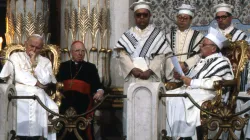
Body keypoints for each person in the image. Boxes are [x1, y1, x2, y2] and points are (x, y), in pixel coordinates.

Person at [114, 0, 172, 136]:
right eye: (138, 15)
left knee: (151, 112)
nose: (141, 18)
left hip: (151, 78)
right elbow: (122, 55)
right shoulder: (128, 35)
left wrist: (150, 70)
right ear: (135, 17)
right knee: (132, 112)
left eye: (144, 15)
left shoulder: (157, 35)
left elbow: (161, 56)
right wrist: (132, 69)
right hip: (133, 79)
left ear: (149, 16)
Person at [165, 27, 234, 139]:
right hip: (196, 90)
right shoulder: (202, 61)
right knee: (167, 96)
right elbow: (191, 79)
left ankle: (183, 136)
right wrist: (182, 77)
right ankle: (169, 134)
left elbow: (214, 83)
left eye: (203, 44)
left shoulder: (221, 61)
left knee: (179, 99)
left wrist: (192, 82)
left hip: (210, 94)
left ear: (213, 48)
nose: (200, 47)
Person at [0, 34, 58, 140]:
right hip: (19, 91)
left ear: (42, 48)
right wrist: (37, 83)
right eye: (32, 46)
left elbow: (46, 80)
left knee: (54, 108)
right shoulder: (16, 56)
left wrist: (35, 63)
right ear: (26, 44)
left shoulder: (45, 61)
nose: (34, 49)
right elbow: (18, 75)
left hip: (39, 93)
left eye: (38, 48)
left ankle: (39, 136)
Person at [56, 41, 104, 140]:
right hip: (65, 102)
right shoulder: (63, 66)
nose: (80, 53)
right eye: (77, 51)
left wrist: (100, 91)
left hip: (83, 102)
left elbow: (97, 85)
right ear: (71, 52)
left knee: (82, 130)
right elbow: (56, 84)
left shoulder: (90, 67)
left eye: (82, 51)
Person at [213, 3, 249, 91]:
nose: (220, 20)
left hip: (234, 72)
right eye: (218, 18)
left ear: (230, 17)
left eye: (223, 17)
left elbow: (246, 58)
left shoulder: (241, 35)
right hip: (215, 71)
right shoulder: (212, 35)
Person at [165, 4, 204, 82]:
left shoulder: (198, 36)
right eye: (180, 17)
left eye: (185, 18)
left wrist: (186, 65)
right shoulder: (168, 36)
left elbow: (200, 55)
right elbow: (165, 55)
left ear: (190, 20)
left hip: (190, 73)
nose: (182, 20)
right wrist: (174, 68)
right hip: (172, 75)